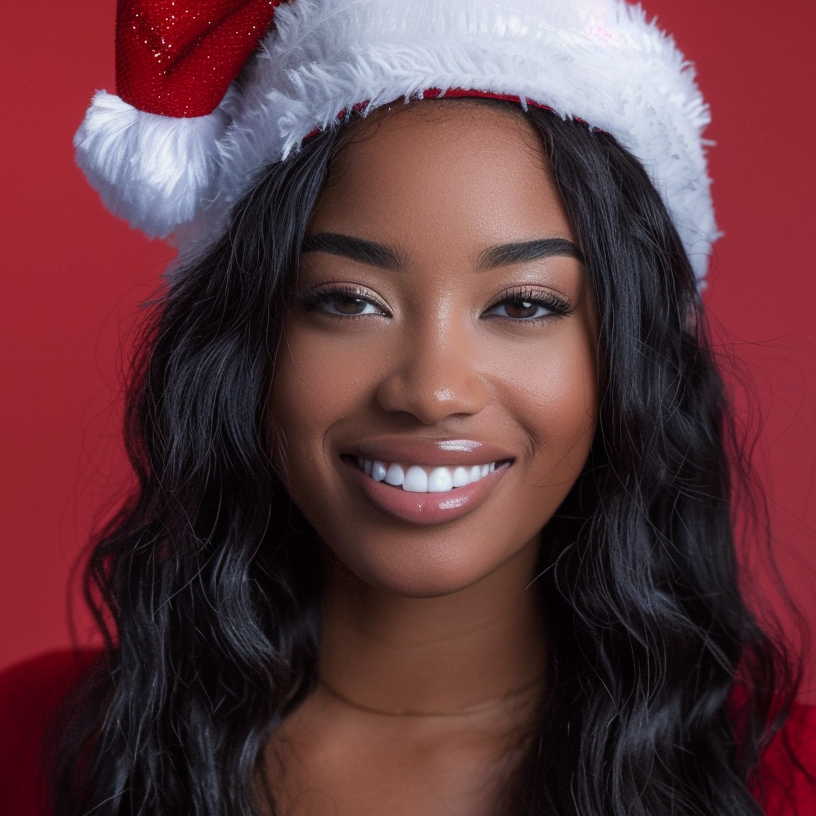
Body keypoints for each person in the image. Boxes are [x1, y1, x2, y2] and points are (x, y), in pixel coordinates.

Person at [7, 0, 813, 814]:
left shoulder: (790, 779)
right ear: (245, 341)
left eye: (524, 305)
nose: (430, 391)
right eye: (349, 301)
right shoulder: (32, 738)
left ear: (628, 359)